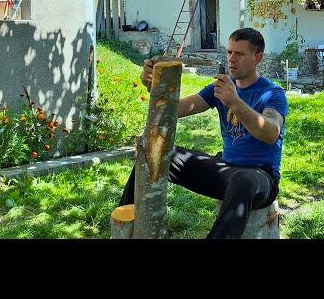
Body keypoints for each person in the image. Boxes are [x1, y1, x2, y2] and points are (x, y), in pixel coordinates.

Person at [117, 27, 288, 239]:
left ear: (258, 58)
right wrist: (154, 87)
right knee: (160, 153)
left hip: (261, 178)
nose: (232, 59)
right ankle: (127, 224)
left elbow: (271, 132)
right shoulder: (219, 88)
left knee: (243, 180)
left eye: (240, 54)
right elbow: (176, 110)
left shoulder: (272, 93)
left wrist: (234, 102)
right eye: (229, 52)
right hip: (226, 170)